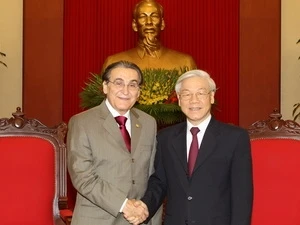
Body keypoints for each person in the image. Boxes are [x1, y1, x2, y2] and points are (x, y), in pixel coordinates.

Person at [126, 69, 253, 225]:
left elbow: (242, 194)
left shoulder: (235, 138)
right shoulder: (166, 138)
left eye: (201, 93)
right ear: (179, 99)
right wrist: (144, 206)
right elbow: (160, 181)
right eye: (186, 94)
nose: (194, 100)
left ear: (211, 97)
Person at [67, 60, 161, 225]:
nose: (125, 90)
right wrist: (124, 205)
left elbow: (152, 174)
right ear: (105, 87)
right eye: (118, 83)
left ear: (139, 92)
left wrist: (145, 210)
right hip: (97, 220)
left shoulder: (148, 123)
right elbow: (83, 177)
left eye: (133, 85)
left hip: (139, 219)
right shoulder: (82, 122)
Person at [102, 0, 197, 72]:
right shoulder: (113, 62)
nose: (149, 22)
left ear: (162, 23)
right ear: (134, 25)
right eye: (143, 17)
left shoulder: (185, 63)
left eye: (154, 16)